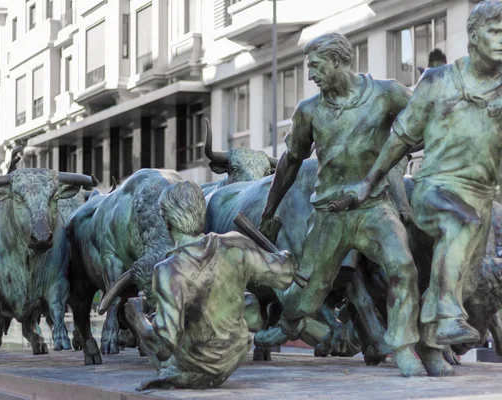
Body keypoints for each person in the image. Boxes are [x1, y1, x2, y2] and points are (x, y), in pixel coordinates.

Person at [334, 0, 502, 376]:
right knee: (462, 224)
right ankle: (443, 313)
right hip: (434, 191)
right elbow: (399, 138)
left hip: (481, 198)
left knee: (466, 280)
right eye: (496, 31)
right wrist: (368, 183)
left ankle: (430, 347)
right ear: (473, 36)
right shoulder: (438, 81)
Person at [258, 33, 425, 376]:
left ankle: (403, 345)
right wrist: (269, 209)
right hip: (329, 215)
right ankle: (289, 322)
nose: (310, 76)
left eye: (316, 66)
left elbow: (423, 122)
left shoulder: (387, 93)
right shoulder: (309, 112)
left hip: (374, 207)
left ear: (337, 61)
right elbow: (290, 162)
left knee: (402, 267)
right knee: (306, 294)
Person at [126, 181, 297, 390]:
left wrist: (137, 319)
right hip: (235, 354)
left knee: (152, 327)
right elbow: (285, 276)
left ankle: (172, 373)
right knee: (242, 300)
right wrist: (282, 255)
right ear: (201, 213)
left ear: (167, 220)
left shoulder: (168, 271)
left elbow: (164, 347)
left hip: (195, 366)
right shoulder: (235, 244)